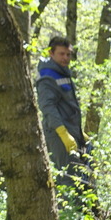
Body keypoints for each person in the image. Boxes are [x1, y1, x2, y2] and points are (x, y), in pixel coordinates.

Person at [36, 36, 91, 191]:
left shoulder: (62, 73)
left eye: (68, 54)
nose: (66, 58)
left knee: (82, 177)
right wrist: (63, 133)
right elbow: (48, 107)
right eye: (61, 54)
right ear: (51, 53)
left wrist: (80, 133)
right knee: (68, 180)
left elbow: (67, 107)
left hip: (72, 133)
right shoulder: (48, 76)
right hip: (59, 136)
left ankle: (82, 213)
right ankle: (67, 214)